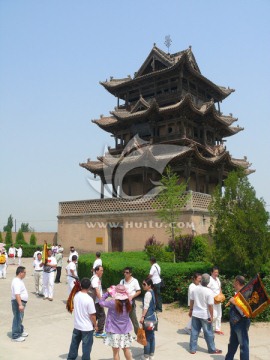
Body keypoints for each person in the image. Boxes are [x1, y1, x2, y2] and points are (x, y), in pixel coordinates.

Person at [189, 273, 222, 354]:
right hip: (204, 315)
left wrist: (190, 310)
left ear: (201, 280)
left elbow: (192, 300)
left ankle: (193, 349)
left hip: (195, 313)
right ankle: (212, 349)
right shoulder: (209, 291)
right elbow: (210, 306)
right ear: (208, 282)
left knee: (194, 331)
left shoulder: (195, 289)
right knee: (208, 333)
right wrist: (211, 316)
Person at [99, 284, 133, 360]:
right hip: (125, 330)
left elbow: (101, 302)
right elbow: (130, 297)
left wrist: (108, 293)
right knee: (126, 349)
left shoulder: (112, 303)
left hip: (114, 331)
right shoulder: (129, 303)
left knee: (116, 352)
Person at [67, 277, 97, 360]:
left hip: (77, 326)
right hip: (87, 328)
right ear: (89, 286)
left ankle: (71, 358)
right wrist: (96, 325)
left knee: (74, 344)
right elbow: (92, 315)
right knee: (86, 347)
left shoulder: (76, 295)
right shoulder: (89, 299)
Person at [225, 275, 250, 360]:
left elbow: (245, 311)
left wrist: (234, 302)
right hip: (234, 322)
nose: (233, 283)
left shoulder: (245, 293)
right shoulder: (238, 292)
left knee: (243, 345)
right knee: (232, 343)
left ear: (237, 282)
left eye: (234, 281)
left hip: (241, 322)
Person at [140, 278, 158, 360]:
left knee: (147, 337)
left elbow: (146, 307)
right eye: (142, 284)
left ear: (149, 285)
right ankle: (152, 354)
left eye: (144, 284)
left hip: (148, 318)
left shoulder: (147, 294)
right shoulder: (152, 292)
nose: (143, 286)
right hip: (153, 317)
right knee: (152, 336)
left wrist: (142, 316)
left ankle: (146, 356)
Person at [120, 266, 141, 335]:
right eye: (124, 272)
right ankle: (124, 334)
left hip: (131, 303)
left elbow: (139, 291)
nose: (125, 274)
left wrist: (132, 296)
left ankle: (139, 336)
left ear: (130, 273)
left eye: (127, 272)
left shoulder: (135, 281)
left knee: (134, 319)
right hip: (123, 303)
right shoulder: (122, 281)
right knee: (123, 320)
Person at [11, 266, 28, 342]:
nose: (25, 274)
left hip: (20, 302)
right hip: (18, 302)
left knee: (20, 318)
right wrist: (20, 304)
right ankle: (15, 335)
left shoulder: (18, 280)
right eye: (24, 272)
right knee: (17, 318)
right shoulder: (17, 282)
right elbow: (17, 294)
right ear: (20, 273)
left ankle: (20, 330)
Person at [91, 265, 106, 338]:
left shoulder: (97, 278)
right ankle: (99, 332)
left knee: (96, 316)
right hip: (97, 301)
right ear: (96, 271)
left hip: (96, 301)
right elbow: (97, 290)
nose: (102, 272)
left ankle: (92, 329)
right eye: (101, 270)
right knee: (102, 316)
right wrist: (101, 301)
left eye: (102, 270)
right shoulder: (95, 279)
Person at [208, 266, 224, 334]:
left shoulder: (217, 279)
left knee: (219, 315)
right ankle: (208, 328)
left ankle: (217, 329)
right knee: (213, 315)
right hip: (212, 300)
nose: (216, 273)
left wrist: (221, 295)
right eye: (215, 272)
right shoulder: (209, 279)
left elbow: (219, 288)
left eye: (217, 272)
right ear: (211, 272)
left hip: (218, 299)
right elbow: (207, 290)